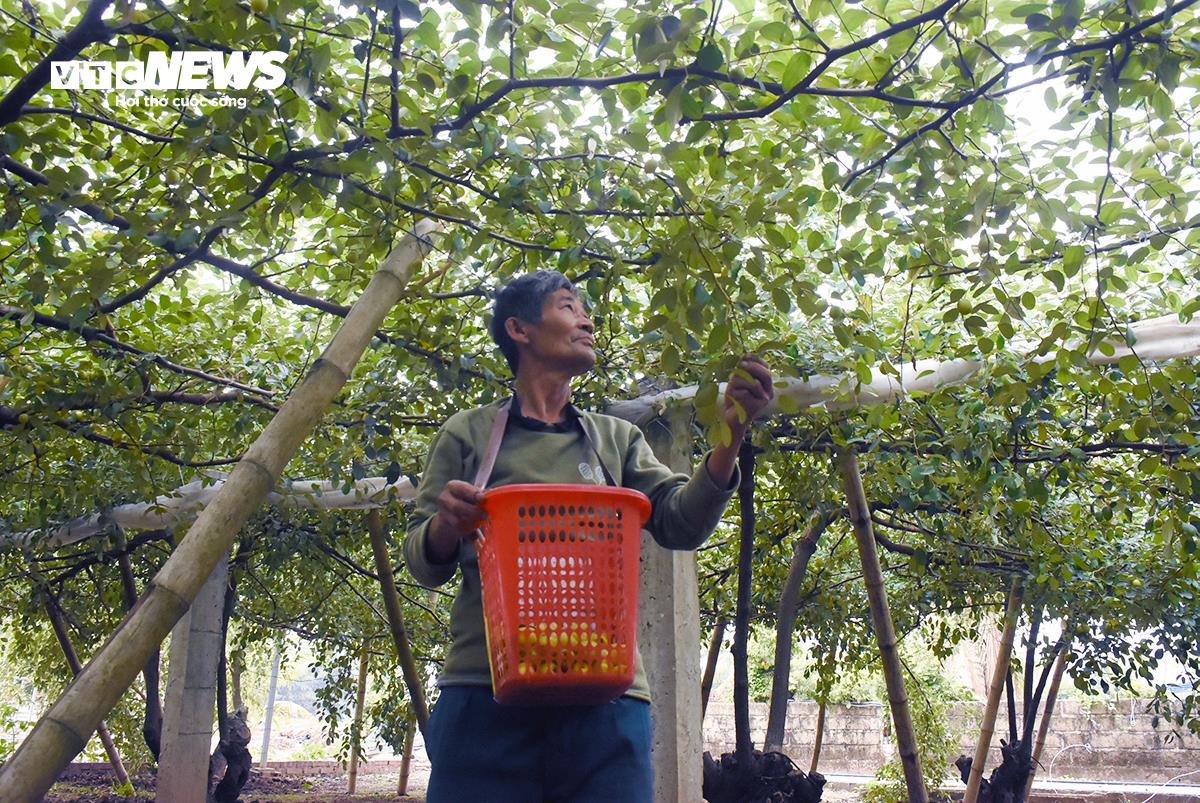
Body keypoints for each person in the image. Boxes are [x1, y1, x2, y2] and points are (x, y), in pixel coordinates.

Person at [404, 270, 774, 802]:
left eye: (584, 309)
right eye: (567, 306)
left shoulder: (614, 440)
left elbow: (680, 523)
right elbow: (424, 562)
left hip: (606, 698)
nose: (587, 319)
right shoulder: (470, 433)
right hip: (484, 691)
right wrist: (445, 525)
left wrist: (731, 434)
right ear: (519, 329)